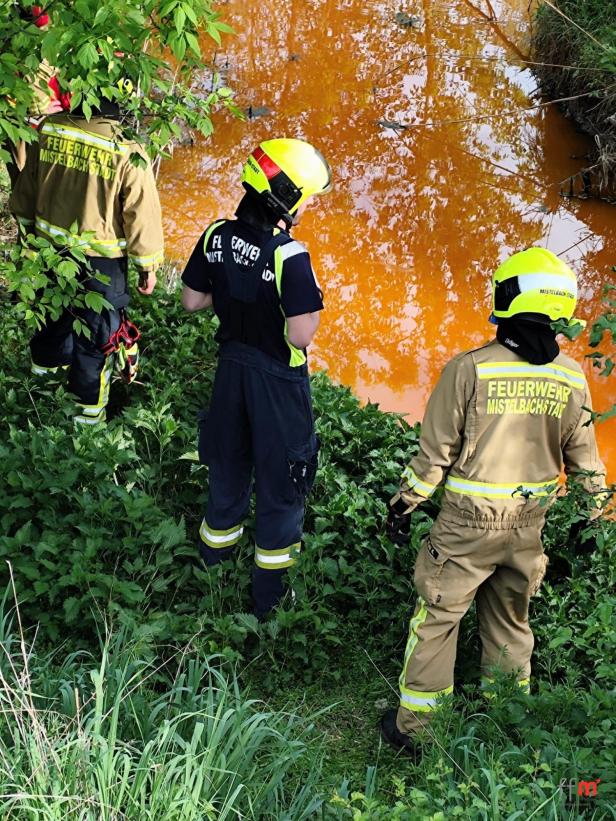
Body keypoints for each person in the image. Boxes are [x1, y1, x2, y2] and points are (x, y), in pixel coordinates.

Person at [381, 248, 606, 756]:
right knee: (510, 621)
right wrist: (594, 516)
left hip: (465, 527)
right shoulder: (572, 377)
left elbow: (433, 457)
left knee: (437, 619)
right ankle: (508, 721)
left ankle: (415, 732)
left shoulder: (469, 370)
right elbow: (588, 462)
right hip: (528, 528)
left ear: (511, 299)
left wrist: (403, 504)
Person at [181, 138, 332, 619]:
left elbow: (192, 300)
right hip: (278, 389)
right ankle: (269, 601)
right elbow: (301, 333)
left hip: (231, 375)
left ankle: (212, 573)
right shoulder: (290, 255)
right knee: (283, 485)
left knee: (228, 469)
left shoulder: (216, 235)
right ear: (289, 199)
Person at [10, 98, 164, 425]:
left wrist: (28, 237)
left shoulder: (49, 131)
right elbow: (140, 216)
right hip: (102, 268)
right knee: (95, 343)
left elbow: (24, 196)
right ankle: (87, 426)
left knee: (50, 324)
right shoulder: (127, 150)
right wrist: (146, 267)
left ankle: (40, 401)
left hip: (50, 255)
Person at [5, 4, 71, 188]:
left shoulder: (57, 29)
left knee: (53, 184)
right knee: (25, 182)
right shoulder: (12, 41)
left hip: (57, 123)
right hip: (24, 126)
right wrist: (32, 115)